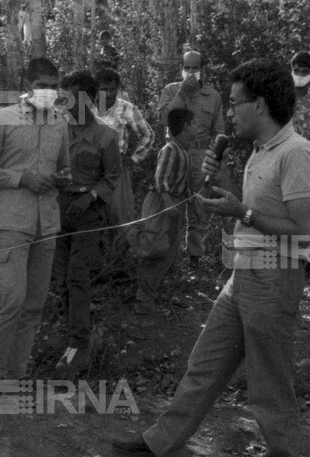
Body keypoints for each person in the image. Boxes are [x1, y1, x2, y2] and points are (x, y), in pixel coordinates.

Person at [110, 59, 310, 457]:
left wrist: (241, 213)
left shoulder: (297, 153)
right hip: (243, 273)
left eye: (236, 103)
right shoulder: (261, 151)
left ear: (261, 104)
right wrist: (222, 192)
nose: (230, 113)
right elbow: (243, 208)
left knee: (270, 388)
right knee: (204, 365)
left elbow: (302, 230)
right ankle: (161, 440)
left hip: (275, 276)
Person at [0, 57, 71, 391]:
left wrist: (62, 179)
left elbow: (64, 168)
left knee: (33, 305)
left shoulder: (60, 122)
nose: (48, 91)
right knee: (11, 301)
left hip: (47, 225)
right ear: (27, 85)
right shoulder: (2, 119)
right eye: (42, 84)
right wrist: (21, 178)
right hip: (13, 222)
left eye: (53, 85)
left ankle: (17, 375)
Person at [52, 71, 120, 380]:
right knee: (61, 277)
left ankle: (78, 346)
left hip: (88, 213)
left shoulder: (106, 136)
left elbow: (112, 178)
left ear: (89, 99)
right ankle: (68, 338)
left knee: (78, 275)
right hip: (57, 209)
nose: (66, 101)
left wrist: (89, 197)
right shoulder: (56, 130)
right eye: (64, 95)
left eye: (74, 95)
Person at [155, 51, 225, 265]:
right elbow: (163, 119)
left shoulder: (213, 96)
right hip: (174, 153)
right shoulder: (170, 90)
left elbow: (219, 131)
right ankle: (166, 256)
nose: (191, 72)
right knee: (171, 203)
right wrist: (181, 94)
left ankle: (195, 256)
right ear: (181, 68)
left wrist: (218, 158)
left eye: (195, 68)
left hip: (201, 155)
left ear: (203, 69)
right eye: (187, 67)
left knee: (198, 206)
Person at [133, 107, 194, 316]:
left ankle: (150, 295)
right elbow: (161, 179)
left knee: (168, 251)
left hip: (175, 203)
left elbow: (179, 180)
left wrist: (186, 194)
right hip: (162, 204)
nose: (194, 129)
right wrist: (168, 202)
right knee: (156, 248)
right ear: (186, 126)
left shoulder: (183, 150)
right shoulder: (170, 149)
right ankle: (143, 300)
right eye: (192, 124)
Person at [95, 68, 154, 229]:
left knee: (121, 217)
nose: (108, 93)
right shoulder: (88, 109)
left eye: (112, 89)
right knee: (93, 216)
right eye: (103, 89)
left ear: (117, 88)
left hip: (117, 169)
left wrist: (133, 158)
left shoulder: (127, 108)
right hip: (92, 170)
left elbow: (147, 135)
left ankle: (121, 252)